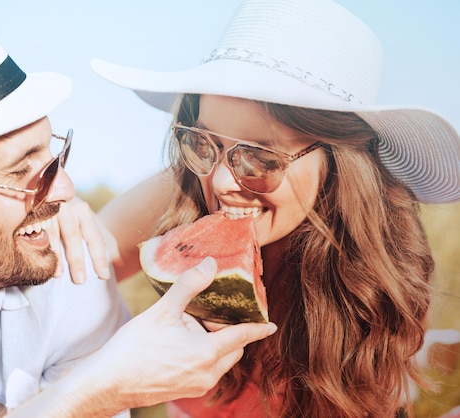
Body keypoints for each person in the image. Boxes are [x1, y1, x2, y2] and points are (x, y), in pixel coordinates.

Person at [0, 1, 278, 417]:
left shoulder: (69, 276)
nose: (65, 192)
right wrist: (94, 391)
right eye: (21, 171)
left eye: (52, 159)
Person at [91, 0, 460, 416]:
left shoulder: (382, 274)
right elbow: (80, 270)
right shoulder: (186, 187)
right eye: (204, 142)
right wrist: (67, 221)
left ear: (340, 163)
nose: (223, 182)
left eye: (261, 157)